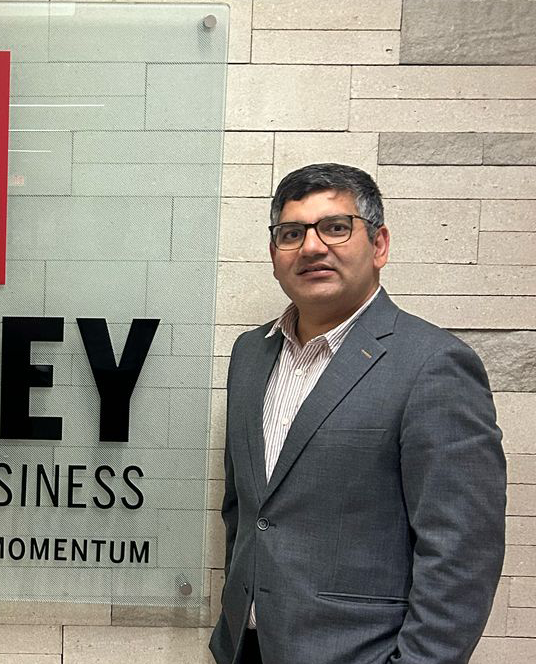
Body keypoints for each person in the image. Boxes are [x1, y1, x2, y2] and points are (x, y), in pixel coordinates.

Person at [209, 163, 505, 664]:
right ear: (274, 253)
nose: (311, 247)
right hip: (246, 648)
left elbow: (460, 554)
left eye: (335, 227)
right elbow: (246, 509)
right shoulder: (250, 354)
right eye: (291, 233)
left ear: (379, 244)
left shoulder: (433, 365)